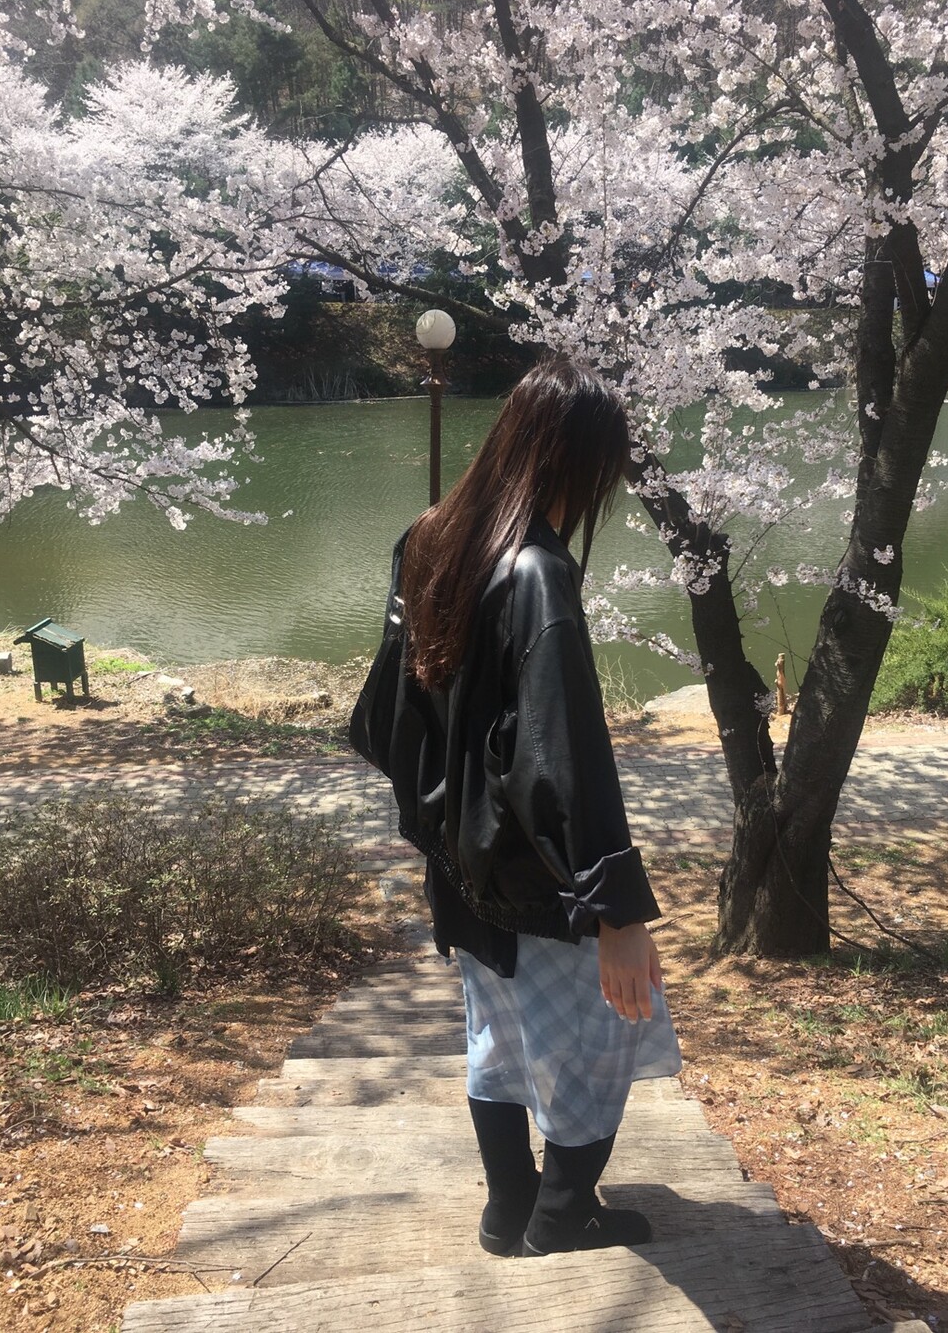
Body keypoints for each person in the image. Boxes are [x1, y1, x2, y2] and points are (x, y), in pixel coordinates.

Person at [363, 356, 680, 1258]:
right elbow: (564, 757)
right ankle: (560, 1216)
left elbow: (387, 715)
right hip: (535, 874)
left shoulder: (429, 538)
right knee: (611, 1030)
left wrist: (441, 826)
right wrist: (617, 912)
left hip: (462, 859)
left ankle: (509, 1208)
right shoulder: (538, 572)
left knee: (496, 1031)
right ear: (579, 462)